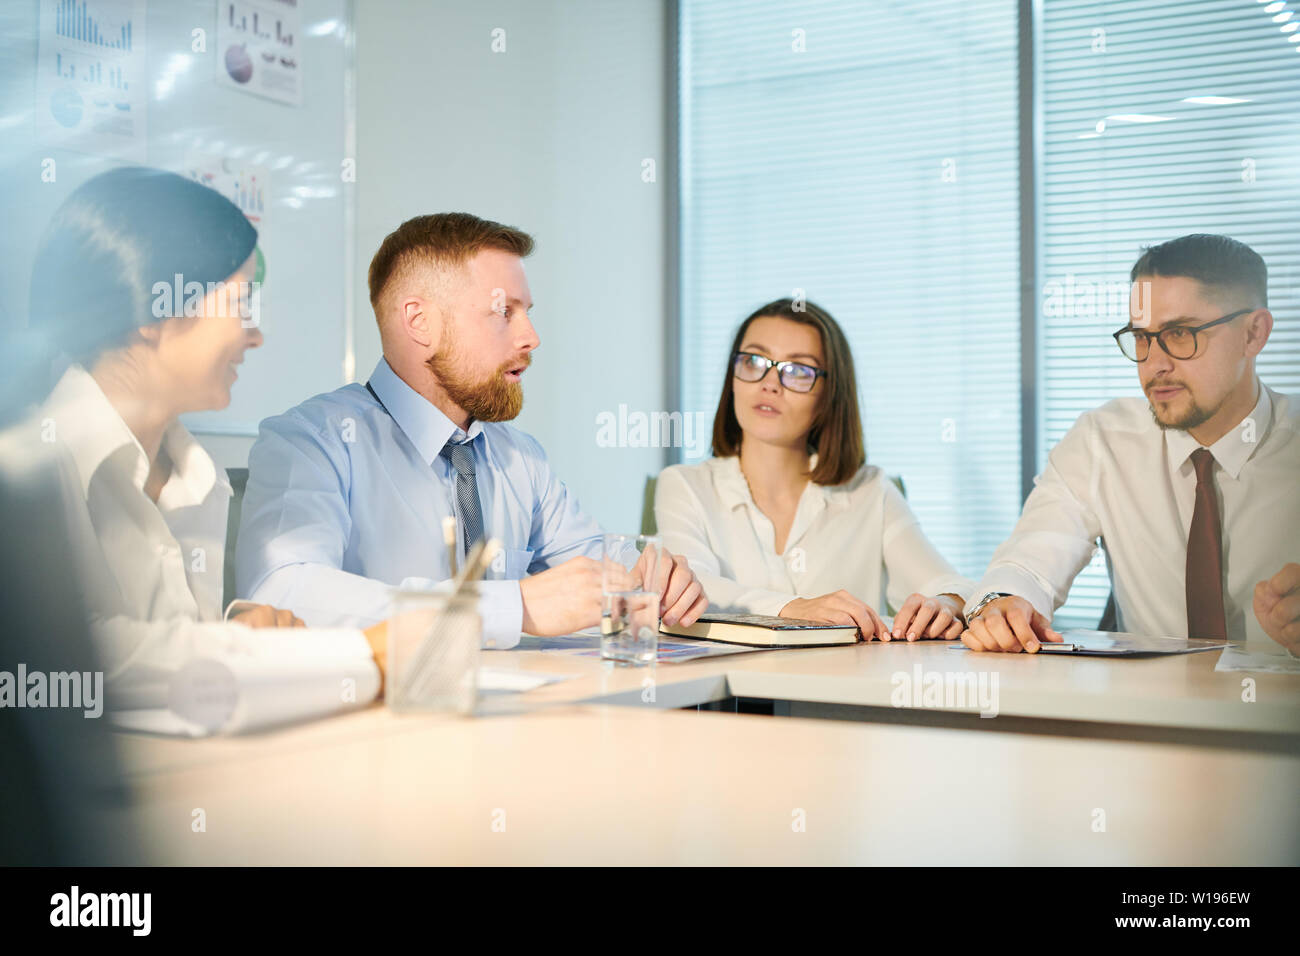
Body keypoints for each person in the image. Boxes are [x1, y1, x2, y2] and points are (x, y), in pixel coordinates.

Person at [18, 166, 388, 733]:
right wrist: (360, 654)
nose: (254, 334)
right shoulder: (30, 470)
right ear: (152, 311)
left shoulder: (195, 475)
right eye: (240, 304)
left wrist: (234, 628)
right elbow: (77, 662)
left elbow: (161, 657)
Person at [236, 213, 707, 646]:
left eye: (528, 312)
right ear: (419, 322)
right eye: (505, 312)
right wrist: (511, 607)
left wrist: (654, 579)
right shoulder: (312, 442)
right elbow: (283, 591)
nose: (531, 337)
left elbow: (599, 570)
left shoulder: (521, 459)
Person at [962, 234, 1299, 654]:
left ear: (1254, 334)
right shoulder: (1102, 441)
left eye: (1179, 333)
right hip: (1145, 713)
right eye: (1141, 337)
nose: (1155, 364)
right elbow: (1028, 562)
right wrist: (1003, 604)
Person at [654, 298, 975, 641]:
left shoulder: (870, 490)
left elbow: (953, 587)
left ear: (829, 394)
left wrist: (944, 604)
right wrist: (795, 608)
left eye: (798, 370)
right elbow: (687, 590)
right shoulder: (684, 485)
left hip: (845, 691)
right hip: (732, 692)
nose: (770, 383)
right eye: (753, 361)